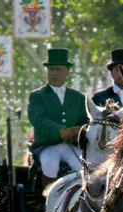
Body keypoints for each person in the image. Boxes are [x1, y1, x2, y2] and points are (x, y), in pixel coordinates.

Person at [27, 48, 88, 189]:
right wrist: (60, 131)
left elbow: (85, 120)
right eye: (51, 69)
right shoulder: (37, 96)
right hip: (47, 146)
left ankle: (79, 201)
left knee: (81, 165)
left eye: (58, 69)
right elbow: (38, 119)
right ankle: (49, 204)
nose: (54, 73)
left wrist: (76, 130)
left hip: (71, 146)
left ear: (67, 71)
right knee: (50, 165)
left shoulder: (78, 97)